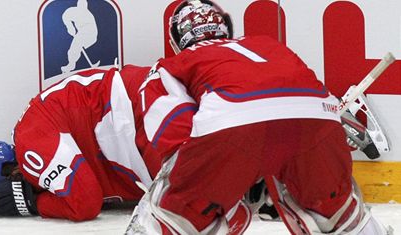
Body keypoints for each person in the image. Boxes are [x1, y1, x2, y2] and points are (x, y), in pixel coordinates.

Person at [125, 0, 390, 234]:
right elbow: (304, 101)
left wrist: (231, 180)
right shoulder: (268, 44)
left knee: (173, 212)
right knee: (338, 212)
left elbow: (173, 136)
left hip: (232, 129)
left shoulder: (172, 66)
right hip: (319, 121)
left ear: (176, 39)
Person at [0, 65, 198, 221]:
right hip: (149, 95)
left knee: (201, 202)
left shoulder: (29, 140)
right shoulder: (37, 126)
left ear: (10, 176)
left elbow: (84, 203)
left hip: (137, 114)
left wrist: (32, 204)